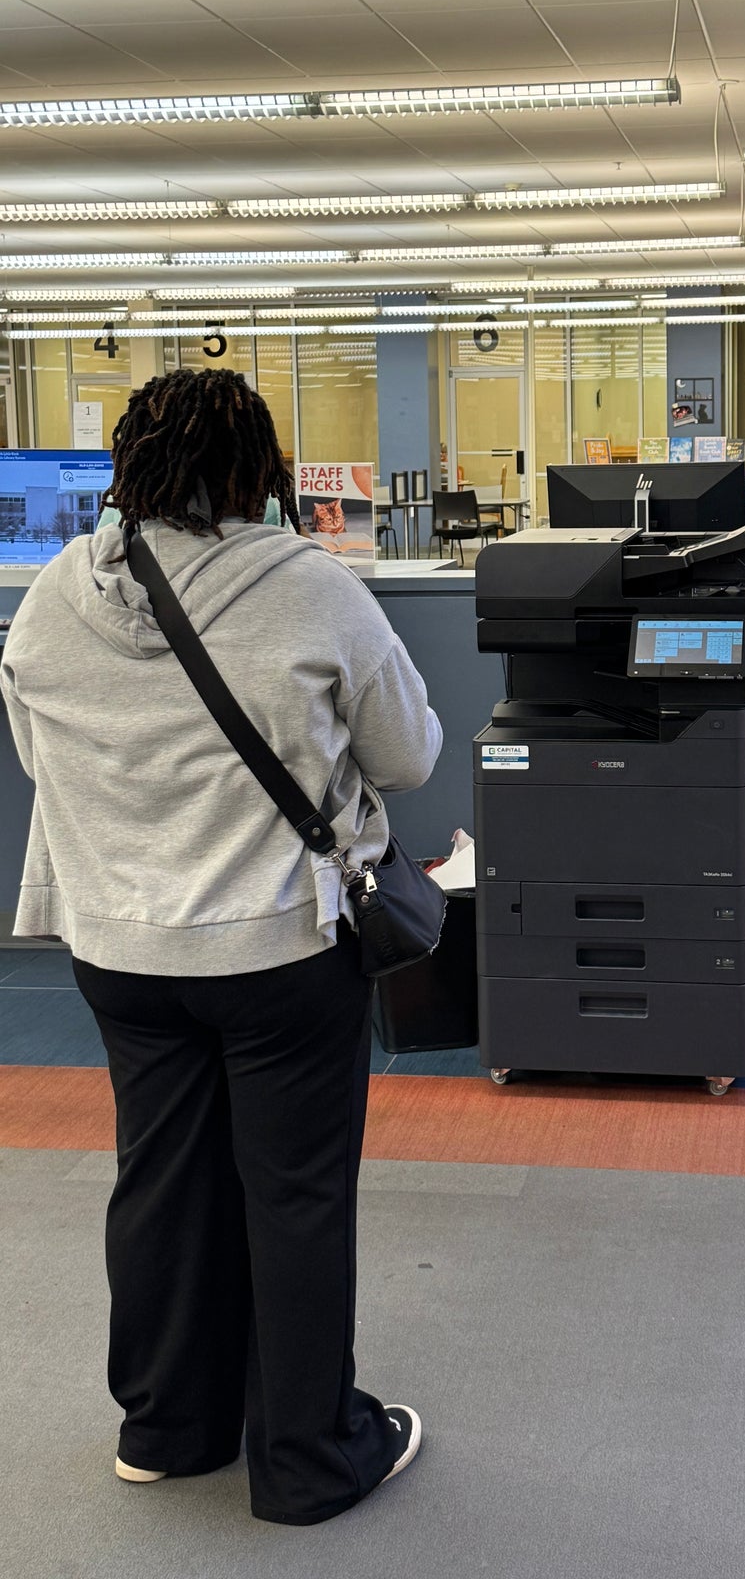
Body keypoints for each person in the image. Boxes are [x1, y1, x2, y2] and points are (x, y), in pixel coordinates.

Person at [0, 369, 442, 1527]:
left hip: (119, 952)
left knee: (160, 1181)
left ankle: (165, 1428)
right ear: (266, 469)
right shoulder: (309, 588)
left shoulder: (51, 597)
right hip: (277, 953)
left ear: (126, 468)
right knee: (292, 1197)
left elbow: (49, 766)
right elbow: (409, 759)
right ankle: (305, 1457)